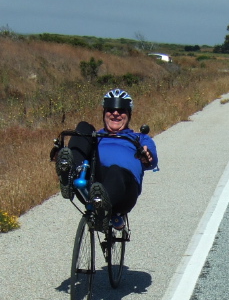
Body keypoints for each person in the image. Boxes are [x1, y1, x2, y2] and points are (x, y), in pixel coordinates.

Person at [52, 88, 158, 230]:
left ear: (129, 115)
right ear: (104, 113)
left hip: (125, 189)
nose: (115, 113)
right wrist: (59, 153)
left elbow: (152, 160)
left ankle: (103, 206)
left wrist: (147, 157)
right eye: (110, 110)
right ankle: (70, 173)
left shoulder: (140, 138)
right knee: (84, 127)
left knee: (115, 170)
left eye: (121, 110)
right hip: (95, 181)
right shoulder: (95, 136)